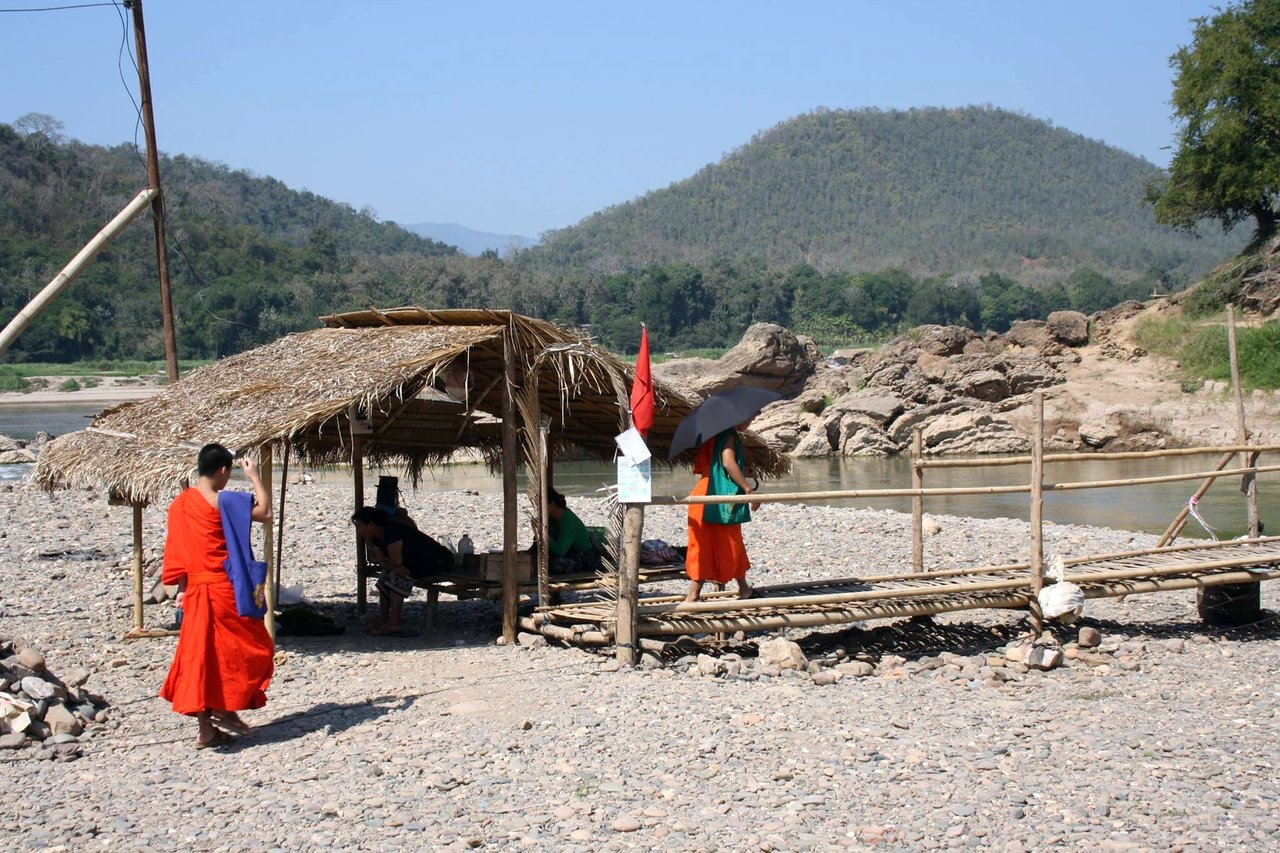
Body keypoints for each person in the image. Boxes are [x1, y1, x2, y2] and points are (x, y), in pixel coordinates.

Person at [160, 443, 274, 749]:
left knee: (200, 658)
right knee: (250, 648)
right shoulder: (224, 502)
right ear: (223, 470)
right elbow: (265, 512)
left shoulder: (180, 504)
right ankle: (223, 708)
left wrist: (182, 588)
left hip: (195, 591)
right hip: (224, 588)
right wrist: (254, 477)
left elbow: (178, 550)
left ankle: (207, 730)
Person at [684, 421, 759, 602]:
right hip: (717, 495)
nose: (750, 422)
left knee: (704, 543)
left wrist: (742, 471)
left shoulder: (711, 433)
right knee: (730, 541)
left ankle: (743, 588)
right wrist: (748, 489)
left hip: (702, 492)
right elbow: (727, 463)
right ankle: (694, 594)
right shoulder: (729, 434)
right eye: (750, 417)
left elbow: (716, 467)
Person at [351, 505, 453, 634]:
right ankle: (384, 619)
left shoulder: (392, 533)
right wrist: (389, 565)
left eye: (360, 526)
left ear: (371, 525)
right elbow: (383, 563)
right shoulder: (376, 538)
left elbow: (397, 563)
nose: (358, 530)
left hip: (436, 561)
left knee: (399, 576)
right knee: (385, 576)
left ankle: (394, 623)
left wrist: (392, 567)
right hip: (413, 562)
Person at [546, 489, 602, 575]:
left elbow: (560, 550)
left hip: (583, 557)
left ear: (552, 505)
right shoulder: (553, 519)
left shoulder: (568, 521)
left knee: (557, 565)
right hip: (570, 552)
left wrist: (545, 538)